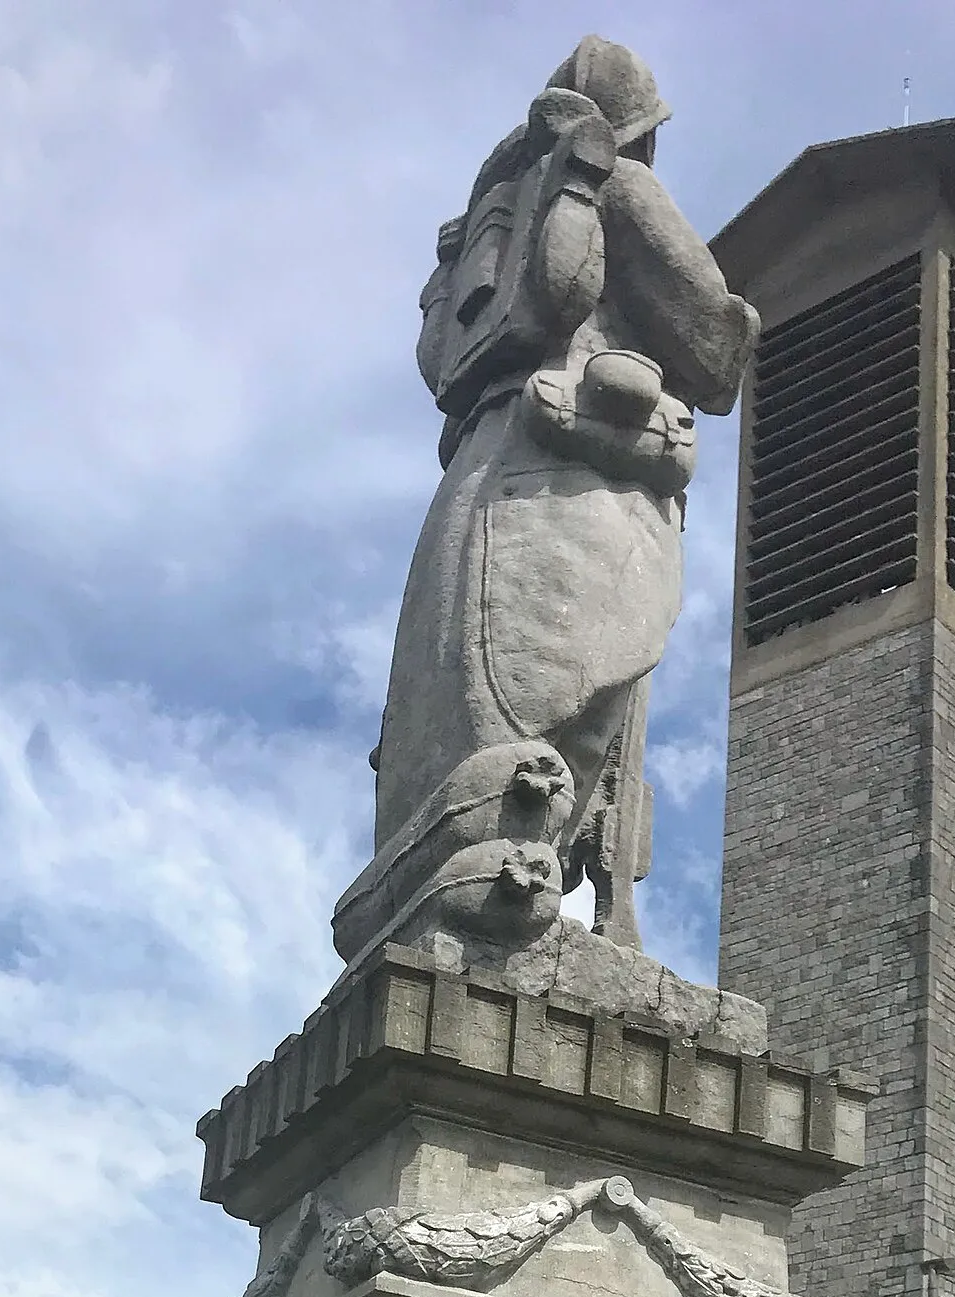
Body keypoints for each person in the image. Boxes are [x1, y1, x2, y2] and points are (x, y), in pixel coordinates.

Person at [333, 38, 757, 966]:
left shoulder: (492, 223)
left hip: (482, 483)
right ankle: (527, 898)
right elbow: (720, 358)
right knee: (566, 735)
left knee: (472, 715)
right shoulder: (624, 191)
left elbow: (440, 362)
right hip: (582, 490)